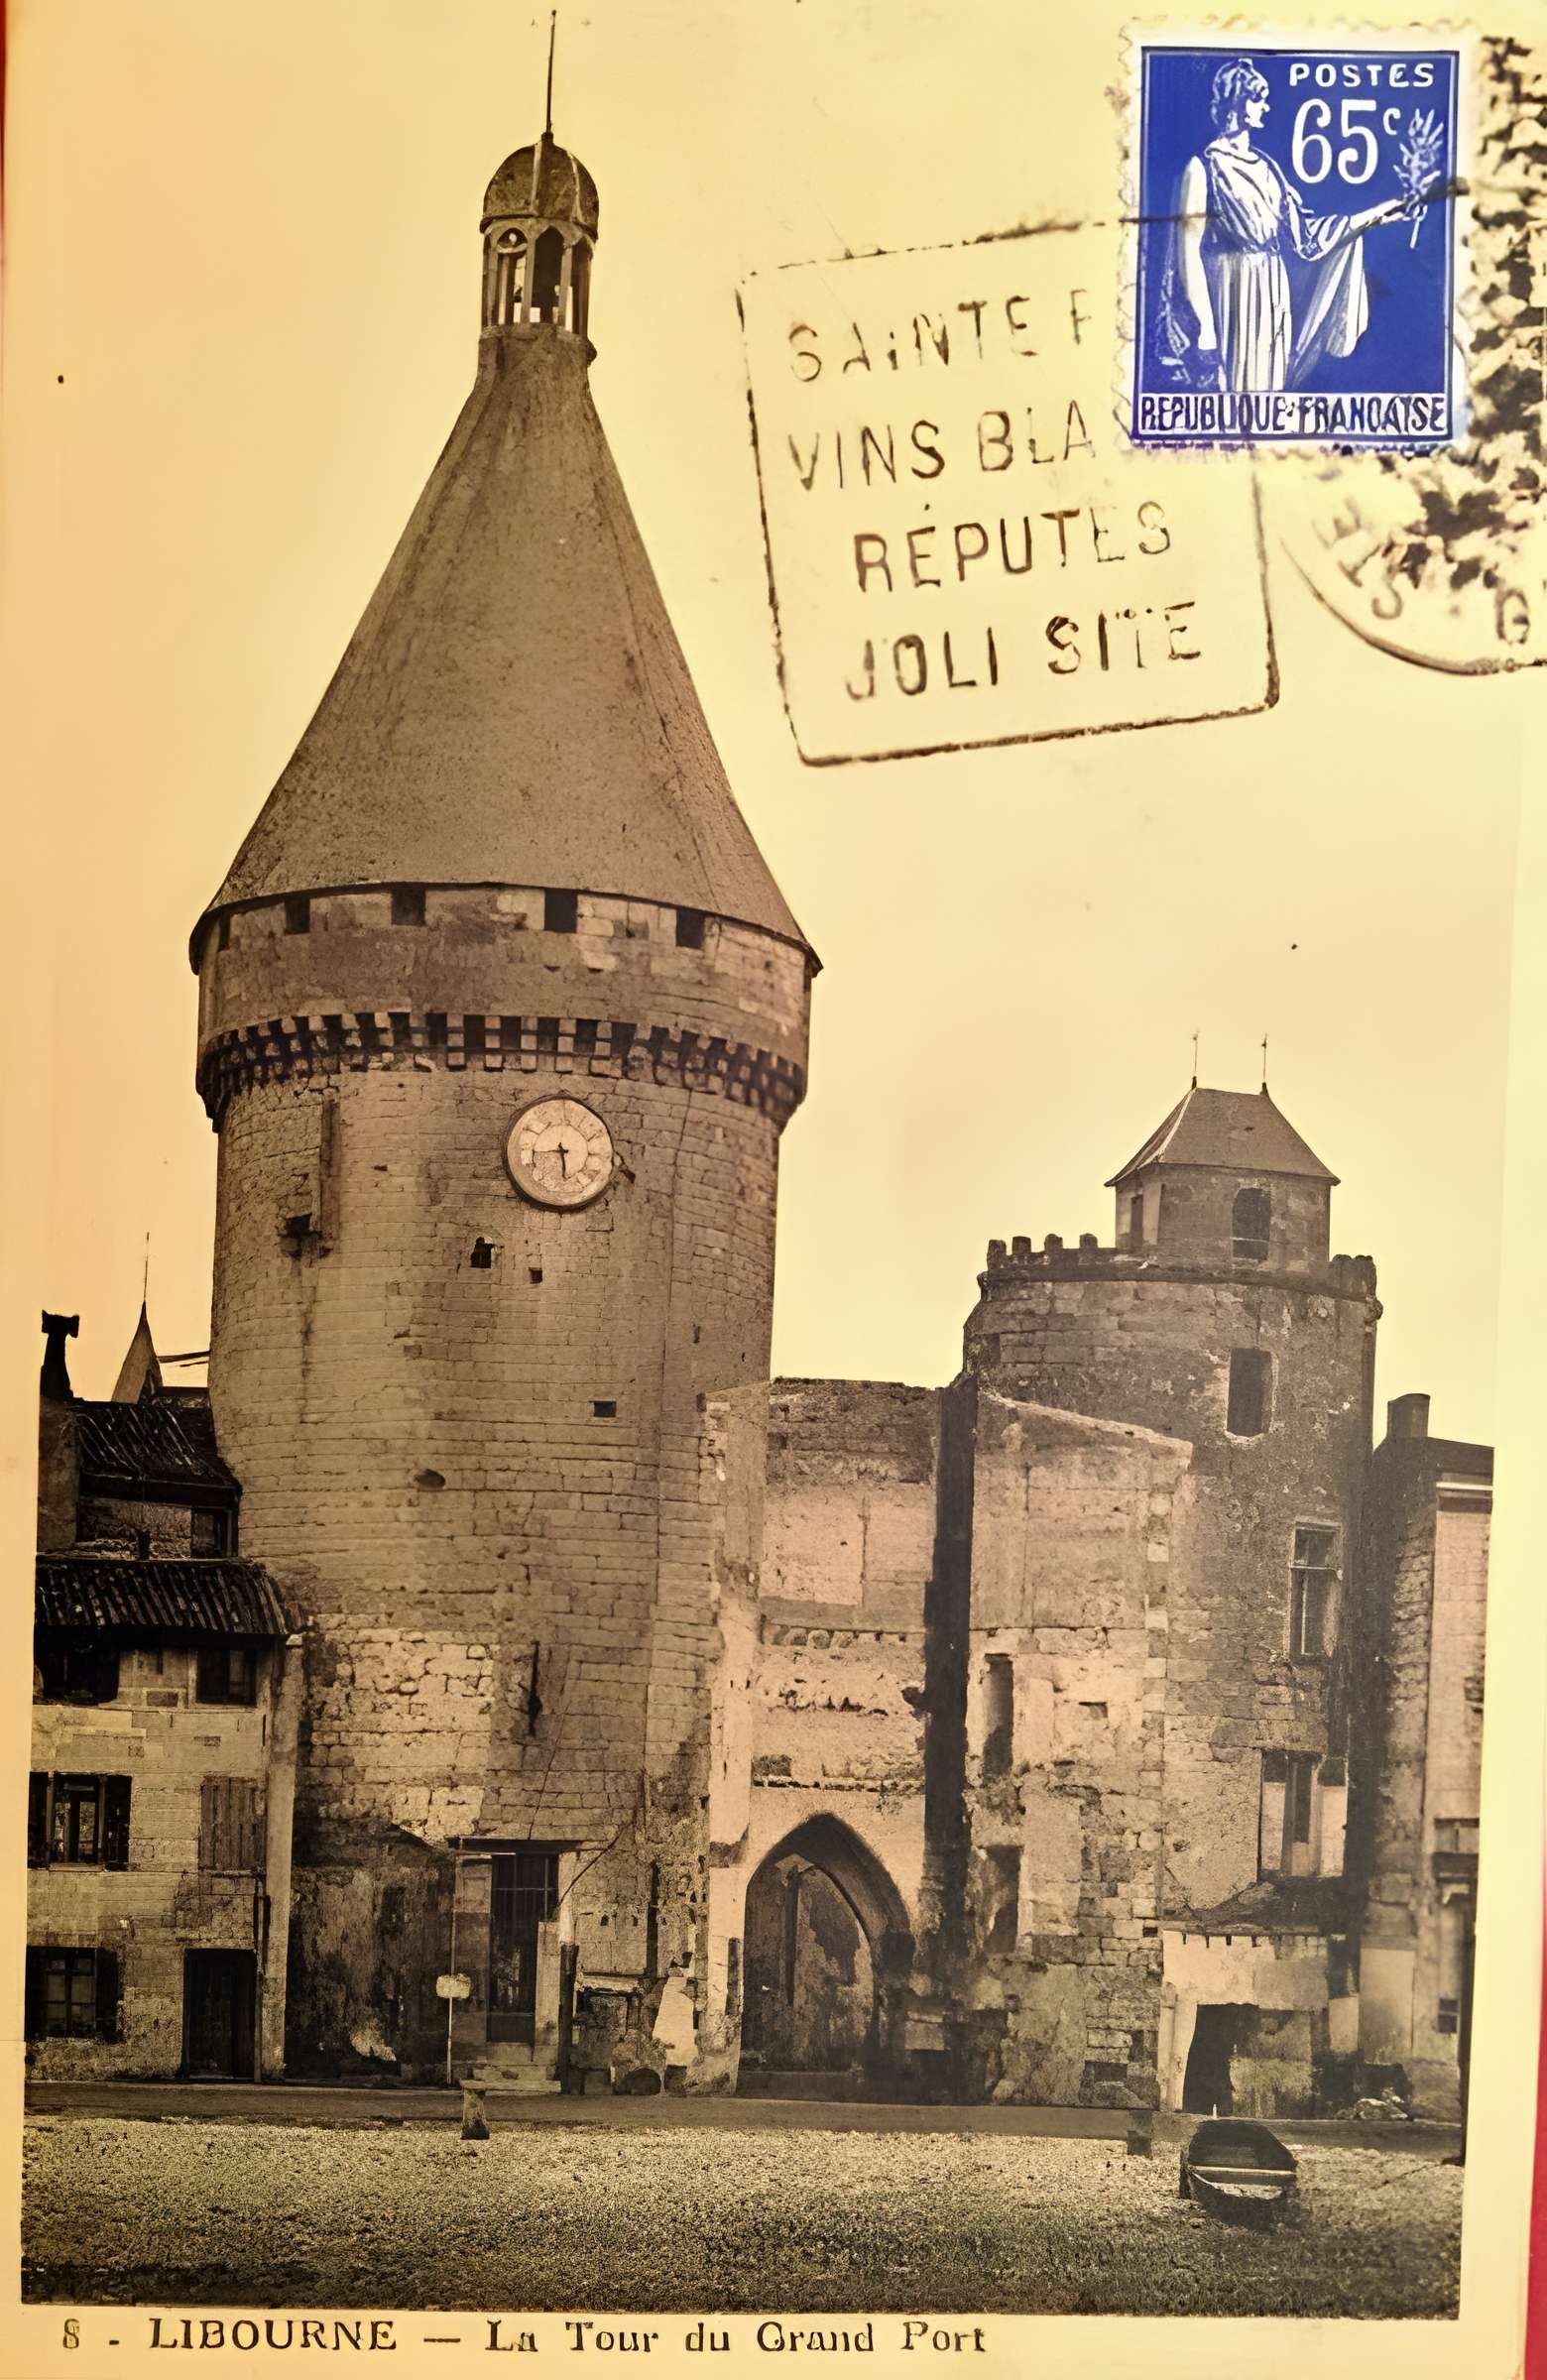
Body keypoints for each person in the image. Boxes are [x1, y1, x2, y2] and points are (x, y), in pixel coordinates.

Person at [1162, 57, 1411, 392]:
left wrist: (1376, 216)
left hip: (1271, 294)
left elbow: (1307, 239)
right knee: (1233, 399)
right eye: (1258, 99)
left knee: (1269, 395)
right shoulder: (1203, 167)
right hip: (1231, 293)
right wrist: (1205, 326)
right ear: (1237, 103)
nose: (1266, 107)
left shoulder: (1268, 169)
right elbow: (1188, 253)